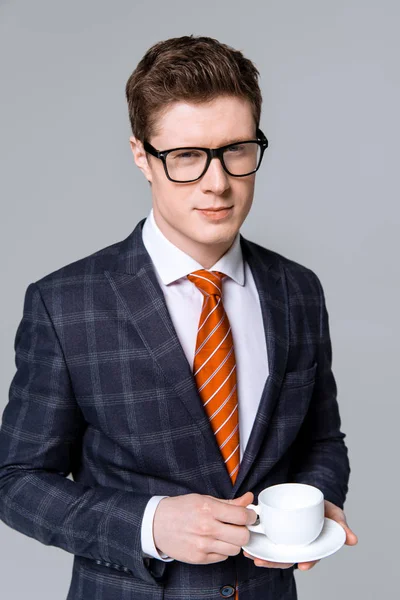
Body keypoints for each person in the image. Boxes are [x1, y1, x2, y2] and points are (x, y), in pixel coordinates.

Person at [0, 35, 357, 600]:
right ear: (142, 156)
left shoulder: (298, 291)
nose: (217, 182)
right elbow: (16, 483)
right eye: (186, 157)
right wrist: (150, 524)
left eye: (236, 150)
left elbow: (322, 440)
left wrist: (313, 505)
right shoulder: (65, 303)